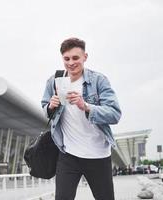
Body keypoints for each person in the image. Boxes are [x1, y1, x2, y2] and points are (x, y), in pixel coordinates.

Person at [41, 37, 121, 200]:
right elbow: (45, 108)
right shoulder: (55, 80)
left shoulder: (98, 80)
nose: (71, 63)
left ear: (85, 57)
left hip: (97, 154)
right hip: (68, 153)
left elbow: (114, 114)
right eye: (66, 59)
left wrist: (86, 106)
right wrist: (50, 106)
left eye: (75, 58)